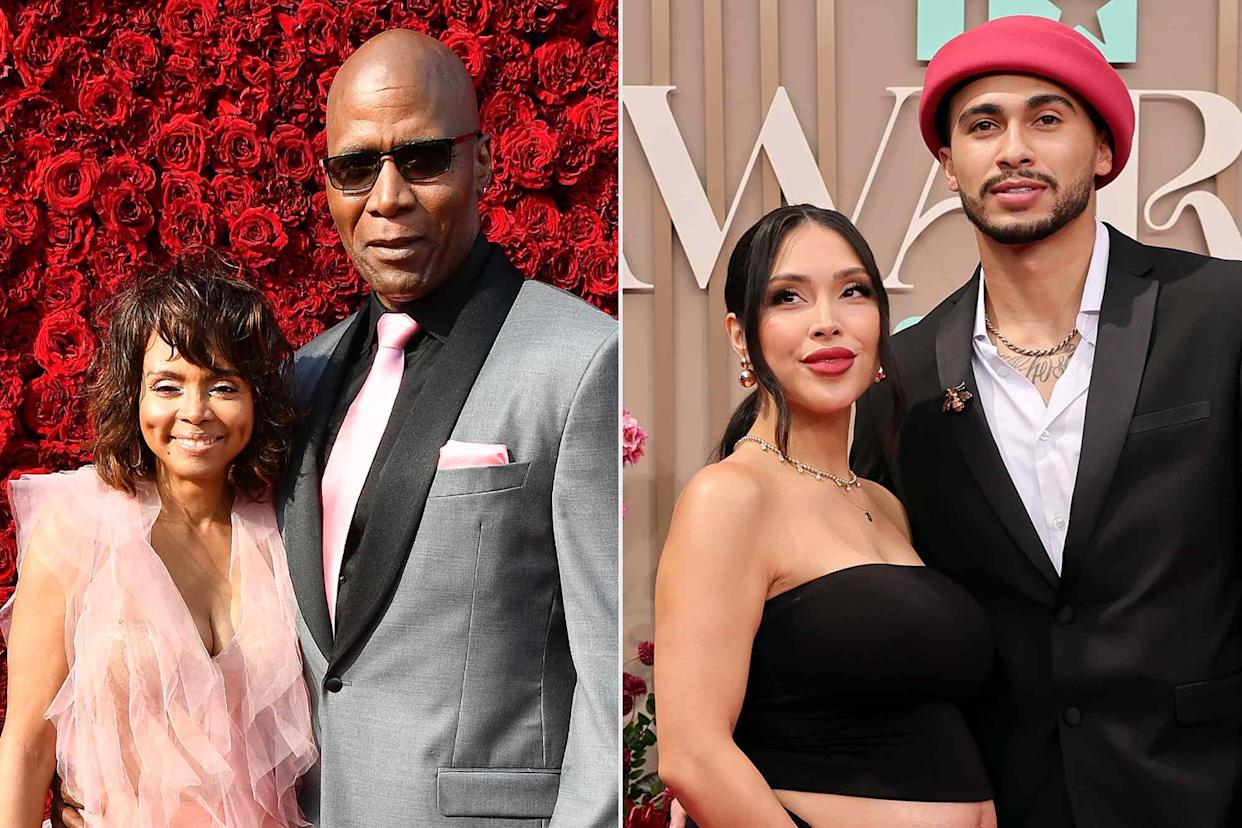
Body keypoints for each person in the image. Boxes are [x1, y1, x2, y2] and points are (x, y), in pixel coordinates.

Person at [849, 15, 1242, 828]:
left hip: (1208, 787)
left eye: (1046, 118)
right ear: (947, 163)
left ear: (1101, 152)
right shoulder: (904, 374)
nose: (1013, 148)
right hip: (1003, 799)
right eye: (983, 124)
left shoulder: (1221, 312)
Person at [272, 30, 617, 827]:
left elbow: (605, 680)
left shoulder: (580, 362)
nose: (386, 196)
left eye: (422, 158)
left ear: (483, 164)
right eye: (357, 167)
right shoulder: (301, 379)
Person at [656, 205, 997, 828]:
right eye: (788, 298)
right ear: (741, 335)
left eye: (853, 293)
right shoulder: (729, 497)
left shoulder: (884, 504)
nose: (827, 323)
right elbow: (693, 756)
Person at [0, 260, 315, 826]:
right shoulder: (79, 525)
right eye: (167, 386)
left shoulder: (282, 529)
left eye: (223, 385)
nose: (195, 413)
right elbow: (26, 740)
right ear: (133, 396)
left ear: (255, 399)